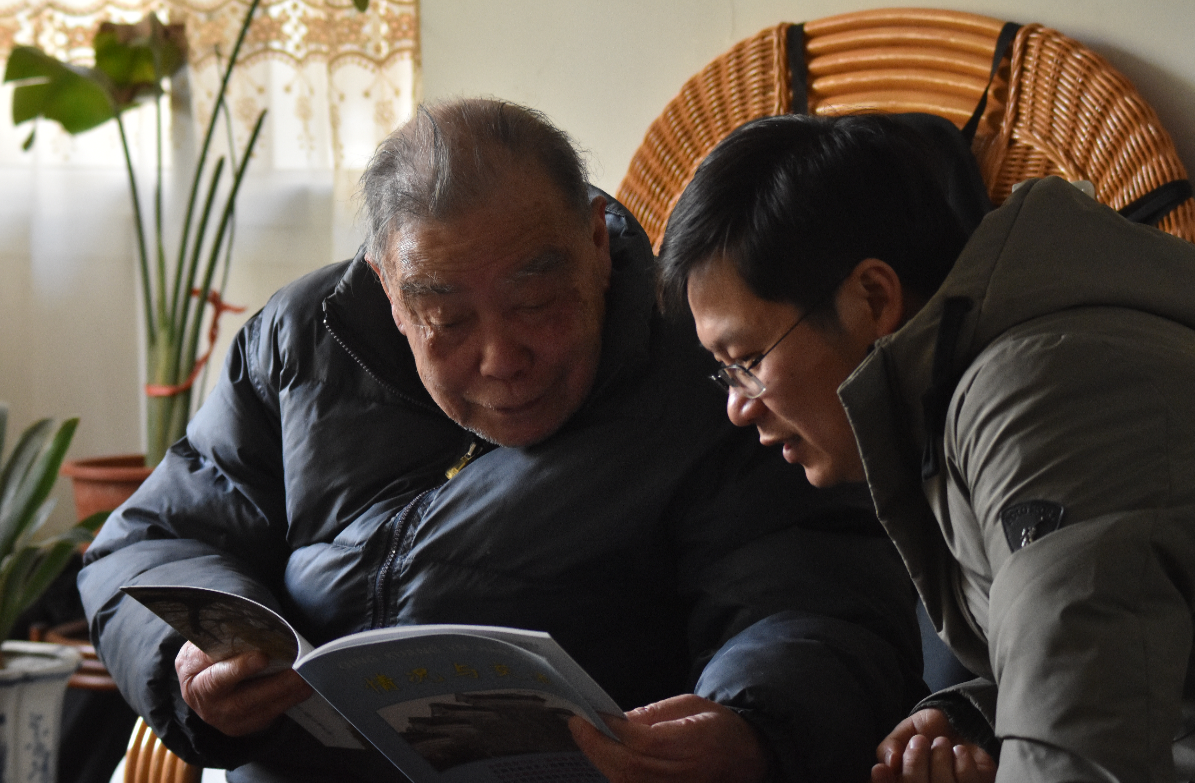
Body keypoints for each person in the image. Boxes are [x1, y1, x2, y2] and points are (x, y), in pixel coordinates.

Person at [79, 99, 924, 783]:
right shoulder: (303, 339)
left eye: (537, 304)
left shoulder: (701, 369)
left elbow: (812, 598)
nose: (501, 359)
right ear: (387, 286)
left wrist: (749, 726)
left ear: (595, 242)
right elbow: (153, 538)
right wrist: (189, 655)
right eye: (445, 319)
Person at [658, 111, 1195, 783]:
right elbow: (1129, 652)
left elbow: (1082, 756)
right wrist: (979, 718)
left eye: (747, 360)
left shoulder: (1039, 394)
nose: (738, 407)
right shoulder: (972, 390)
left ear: (872, 297)